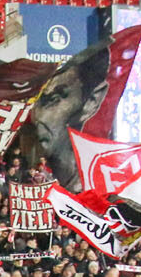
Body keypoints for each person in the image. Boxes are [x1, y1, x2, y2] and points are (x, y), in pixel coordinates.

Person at [32, 39, 115, 192]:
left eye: (54, 100)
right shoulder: (34, 177)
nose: (39, 116)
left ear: (92, 101)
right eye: (38, 101)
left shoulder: (101, 186)